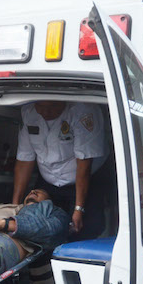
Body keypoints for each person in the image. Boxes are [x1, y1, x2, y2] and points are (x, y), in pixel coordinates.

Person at [13, 101, 108, 240]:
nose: (45, 112)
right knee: (40, 225)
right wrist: (14, 206)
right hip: (48, 178)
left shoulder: (83, 111)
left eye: (51, 107)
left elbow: (84, 164)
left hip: (85, 179)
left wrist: (78, 209)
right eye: (41, 107)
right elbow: (24, 161)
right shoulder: (28, 112)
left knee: (85, 228)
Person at [0, 189, 69, 281]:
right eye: (31, 191)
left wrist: (0, 224)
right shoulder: (3, 207)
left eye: (40, 192)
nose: (33, 191)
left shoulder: (51, 211)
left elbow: (50, 230)